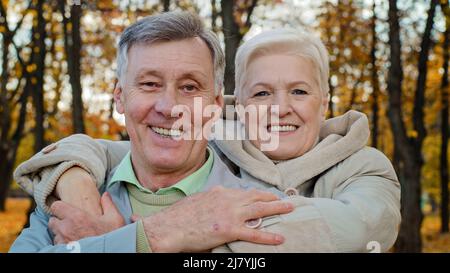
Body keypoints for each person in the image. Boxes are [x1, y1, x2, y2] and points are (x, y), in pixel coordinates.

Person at [11, 12, 401, 253]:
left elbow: (362, 226)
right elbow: (96, 150)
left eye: (189, 87)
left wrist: (118, 243)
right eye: (148, 84)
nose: (169, 107)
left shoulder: (252, 204)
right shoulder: (75, 196)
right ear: (118, 97)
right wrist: (152, 235)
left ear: (215, 105)